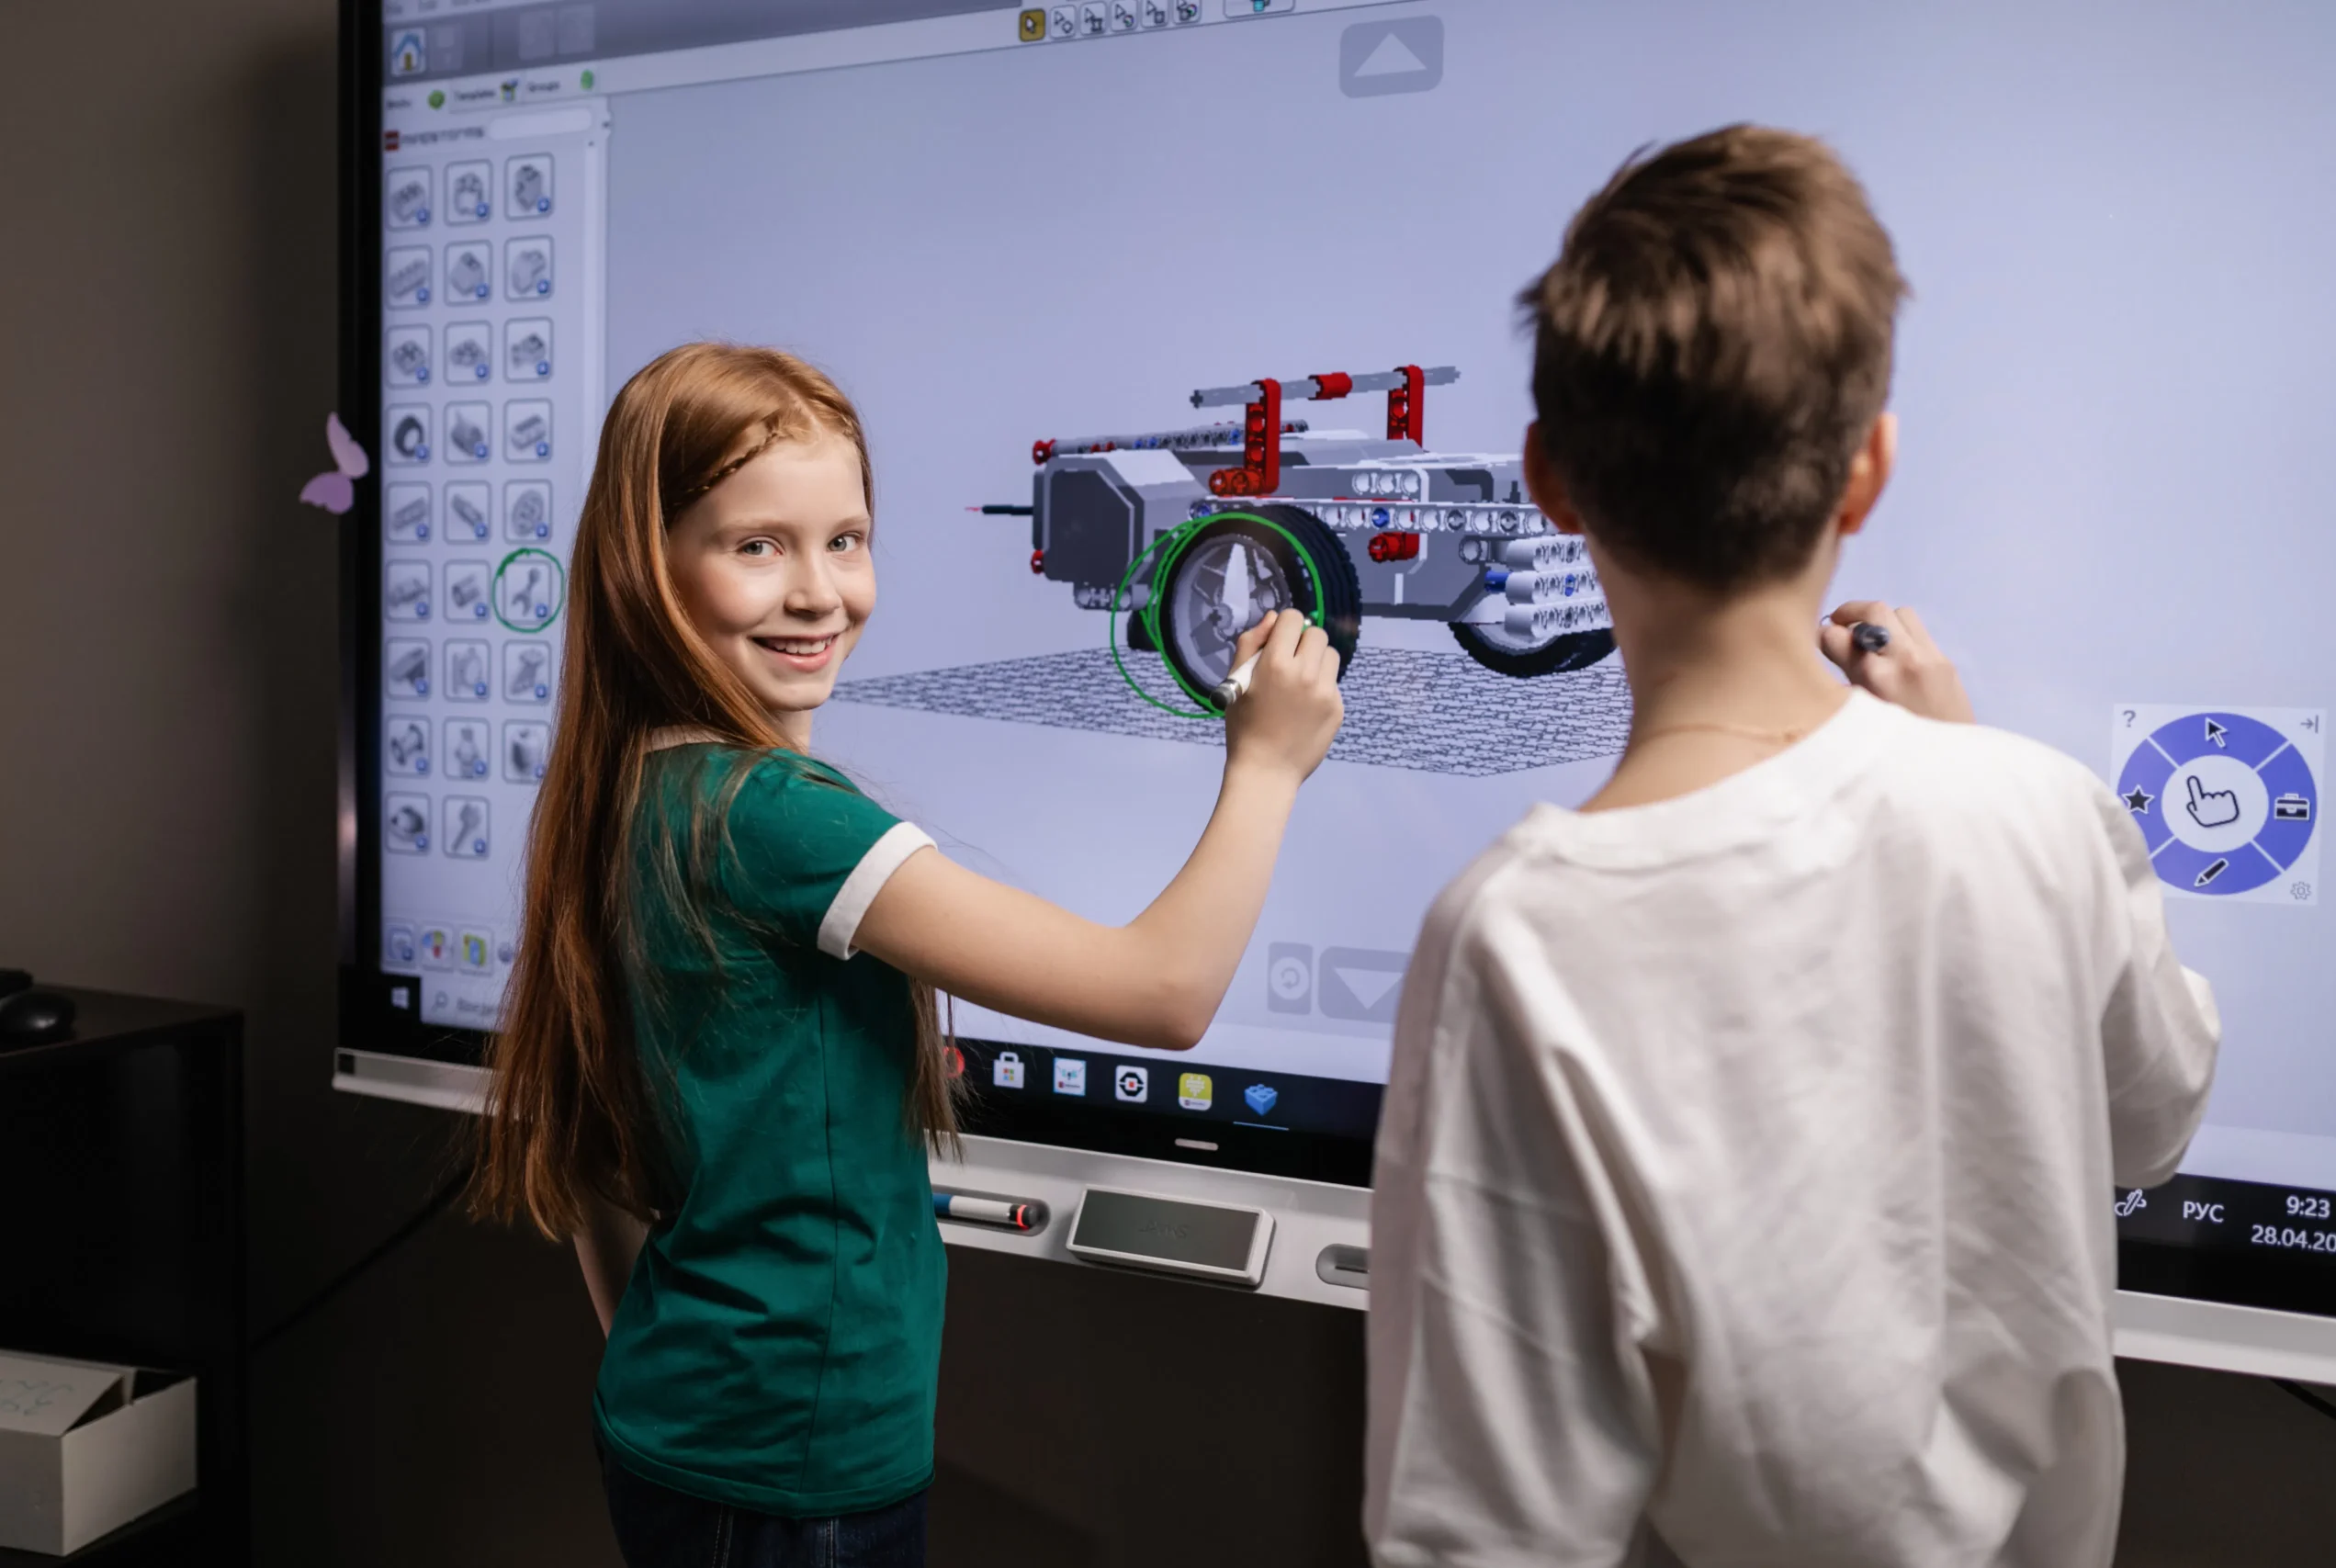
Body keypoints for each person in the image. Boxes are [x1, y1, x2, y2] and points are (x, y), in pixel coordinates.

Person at [1363, 126, 2219, 1567]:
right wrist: (1963, 756)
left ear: (1549, 481)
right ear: (1865, 471)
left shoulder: (1519, 934)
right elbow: (2150, 1118)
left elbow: (1481, 1531)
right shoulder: (2044, 808)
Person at [471, 343, 1343, 1568]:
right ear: (647, 567)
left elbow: (599, 1157)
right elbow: (1165, 990)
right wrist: (1265, 763)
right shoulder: (780, 818)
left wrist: (692, 1374)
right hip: (795, 1479)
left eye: (847, 539)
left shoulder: (634, 788)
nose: (823, 591)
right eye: (756, 545)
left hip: (683, 1430)